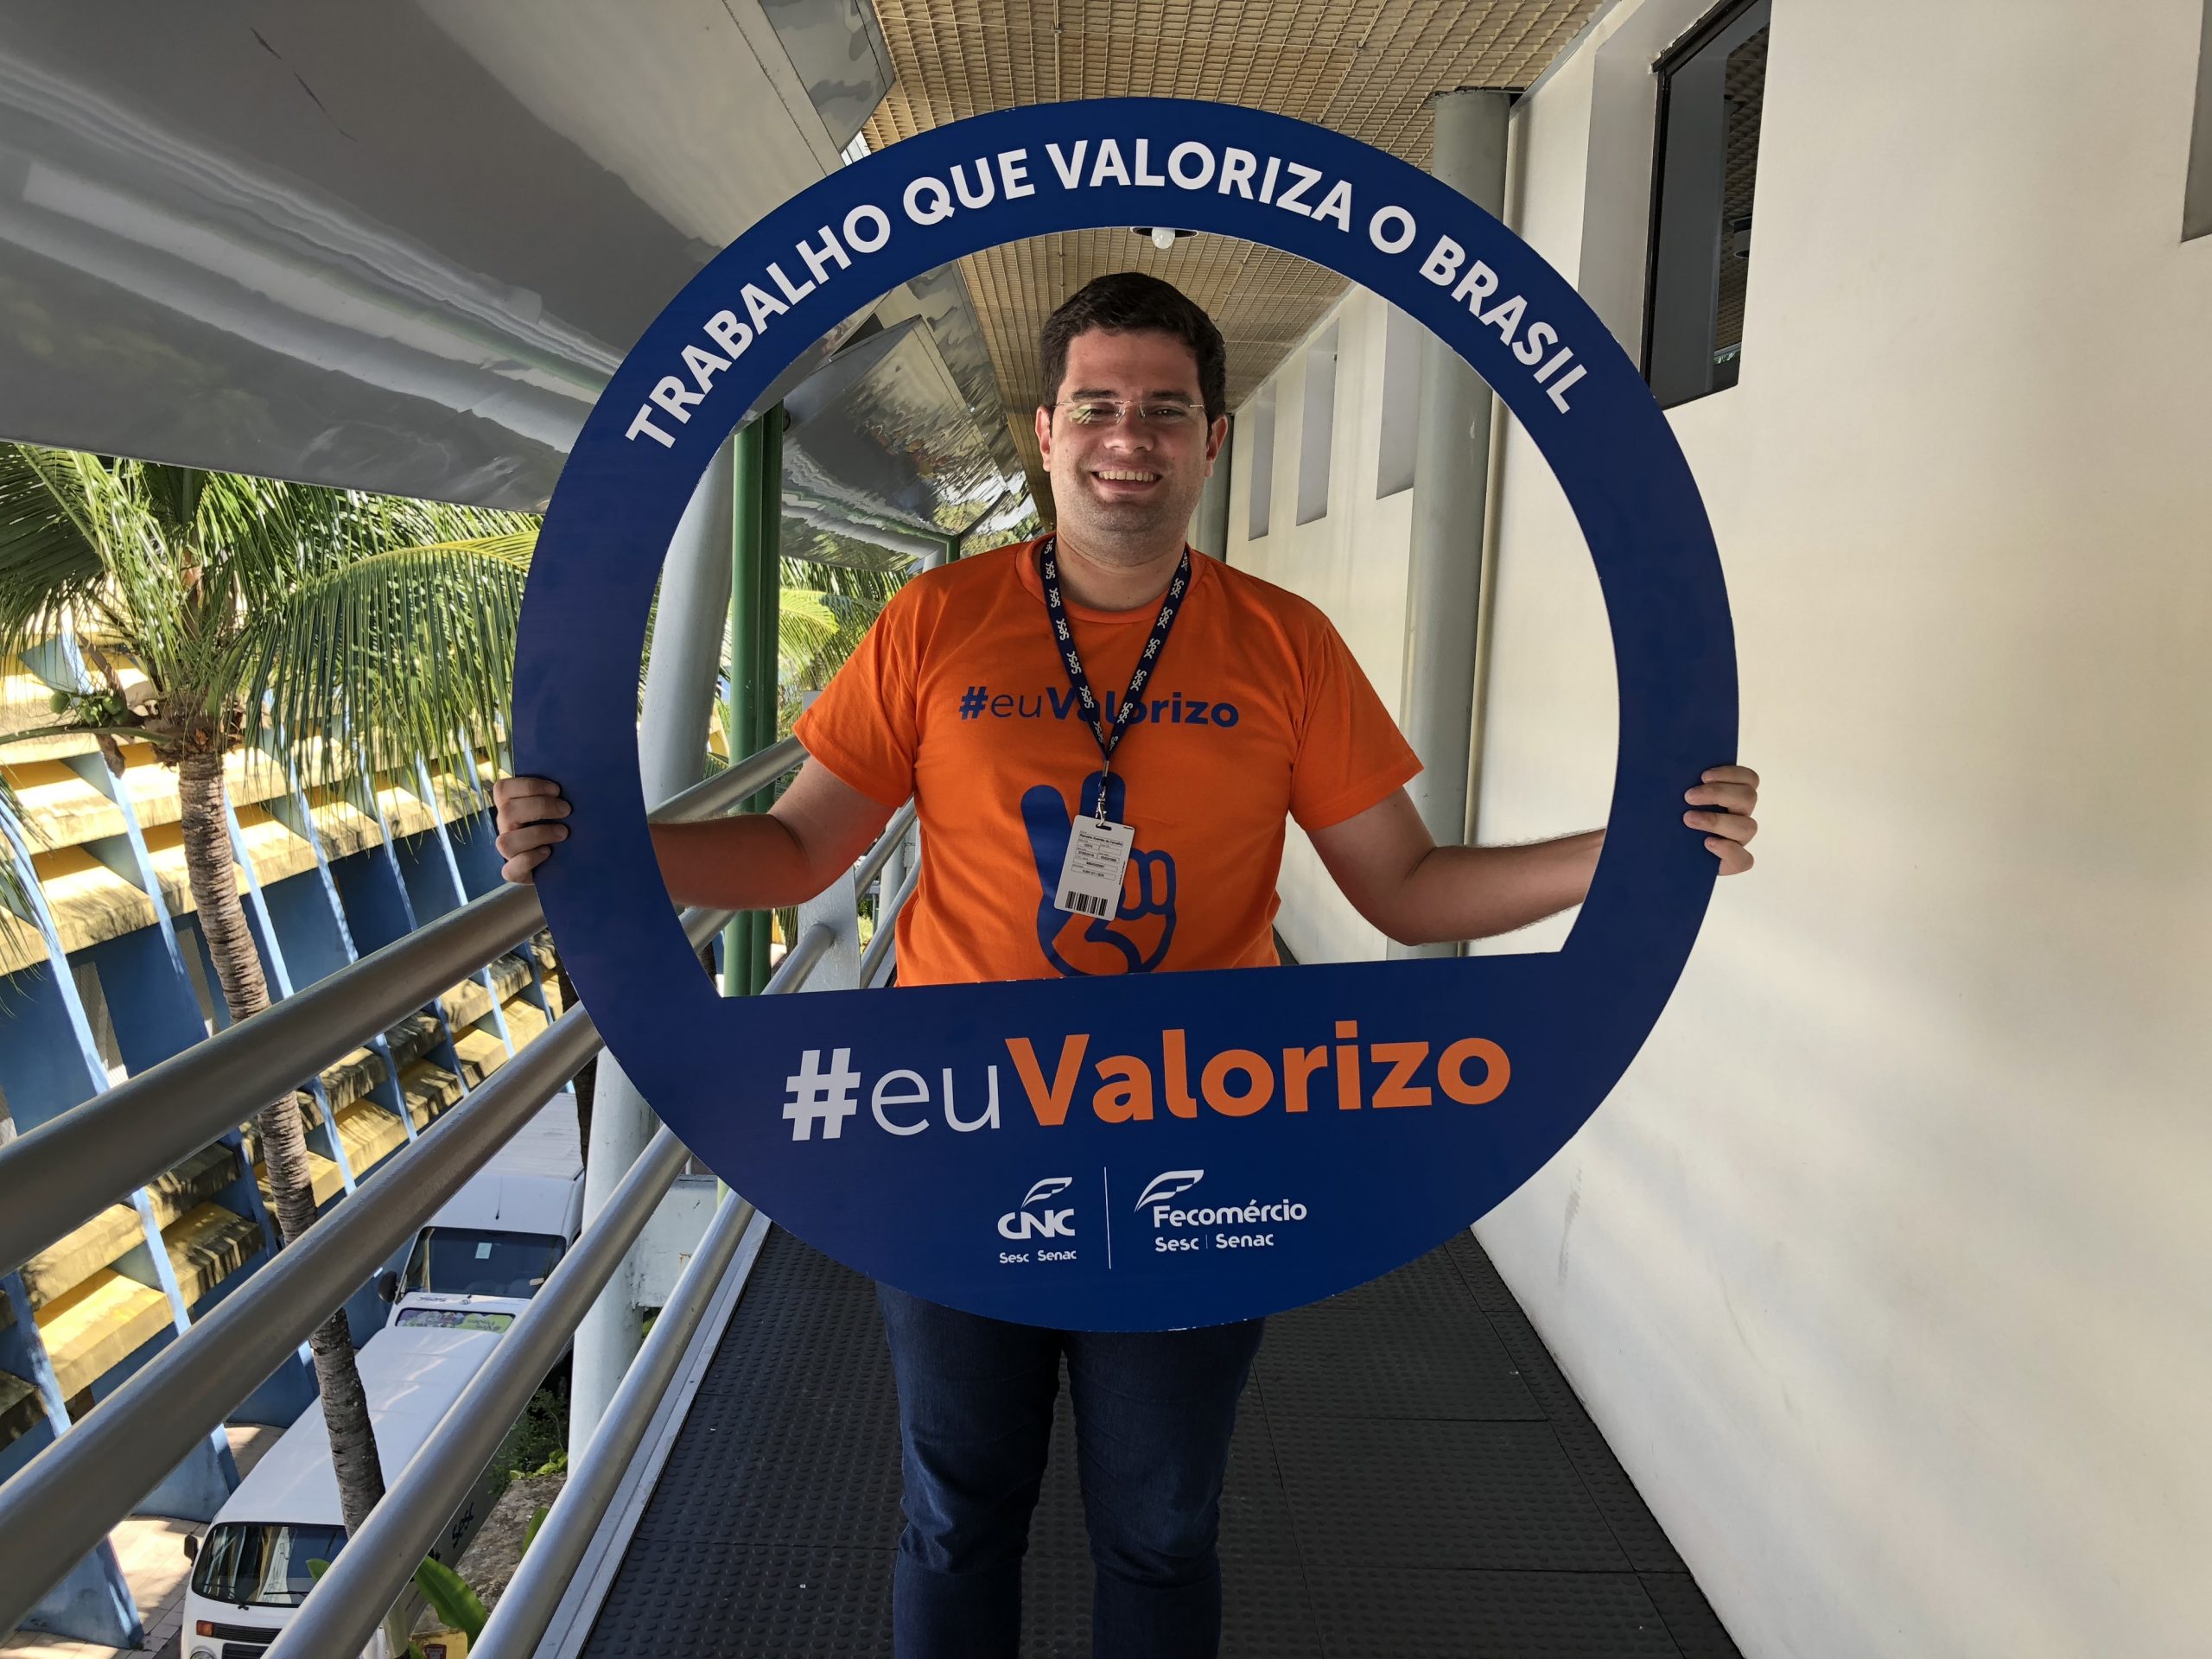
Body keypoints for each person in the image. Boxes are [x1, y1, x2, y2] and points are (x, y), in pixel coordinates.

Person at [494, 272, 1759, 1658]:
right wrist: (607, 852)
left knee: (1161, 1526)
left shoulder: (1285, 645)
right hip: (957, 1123)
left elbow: (1404, 891)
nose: (1127, 438)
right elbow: (799, 853)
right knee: (956, 1514)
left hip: (1200, 1127)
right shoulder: (936, 623)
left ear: (1212, 438)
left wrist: (1627, 853)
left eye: (1164, 409)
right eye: (1096, 405)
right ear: (1045, 432)